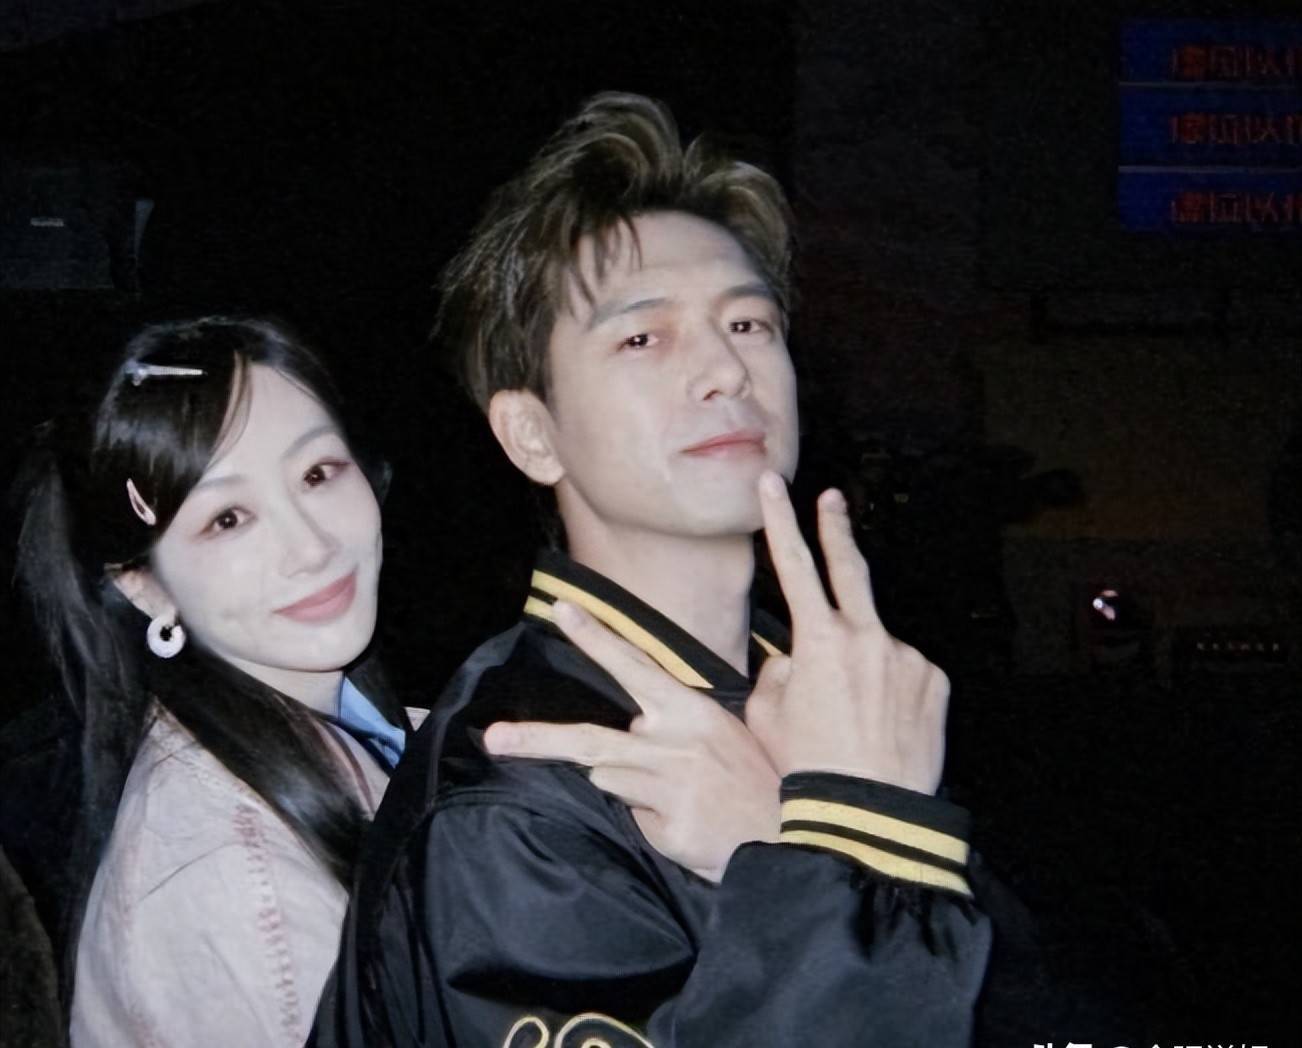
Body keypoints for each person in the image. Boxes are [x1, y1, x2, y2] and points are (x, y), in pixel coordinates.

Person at [316, 92, 992, 1047]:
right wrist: (852, 842)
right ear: (532, 433)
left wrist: (800, 840)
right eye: (643, 337)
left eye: (749, 325)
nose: (726, 370)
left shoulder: (832, 691)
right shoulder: (518, 793)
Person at [10, 317, 410, 1047]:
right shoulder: (234, 884)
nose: (310, 546)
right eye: (228, 518)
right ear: (144, 587)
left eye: (317, 474)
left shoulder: (364, 721)